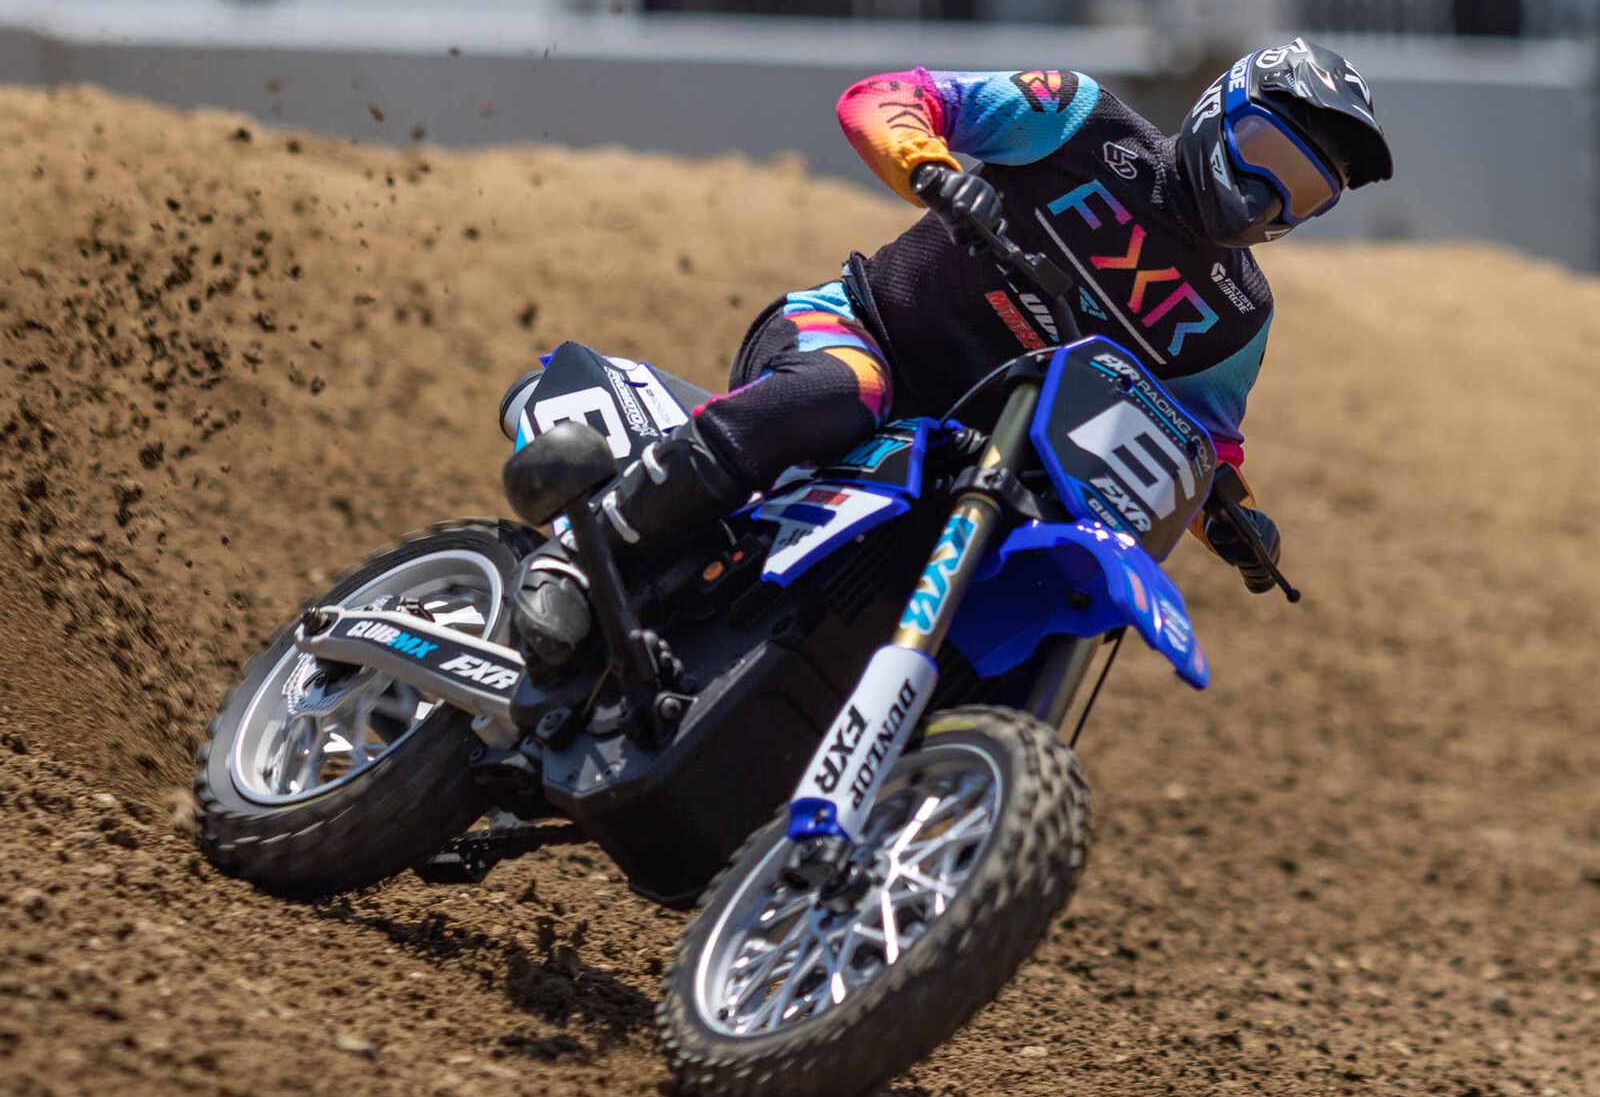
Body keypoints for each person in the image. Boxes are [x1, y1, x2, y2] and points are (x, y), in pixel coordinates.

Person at [510, 37, 1392, 668]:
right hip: (861, 336)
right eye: (1267, 154)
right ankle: (581, 556)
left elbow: (1200, 442)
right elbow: (889, 96)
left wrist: (1230, 516)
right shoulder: (1080, 118)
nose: (1266, 196)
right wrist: (929, 165)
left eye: (1304, 192)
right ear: (1217, 109)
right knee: (845, 390)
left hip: (976, 458)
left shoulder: (1240, 315)